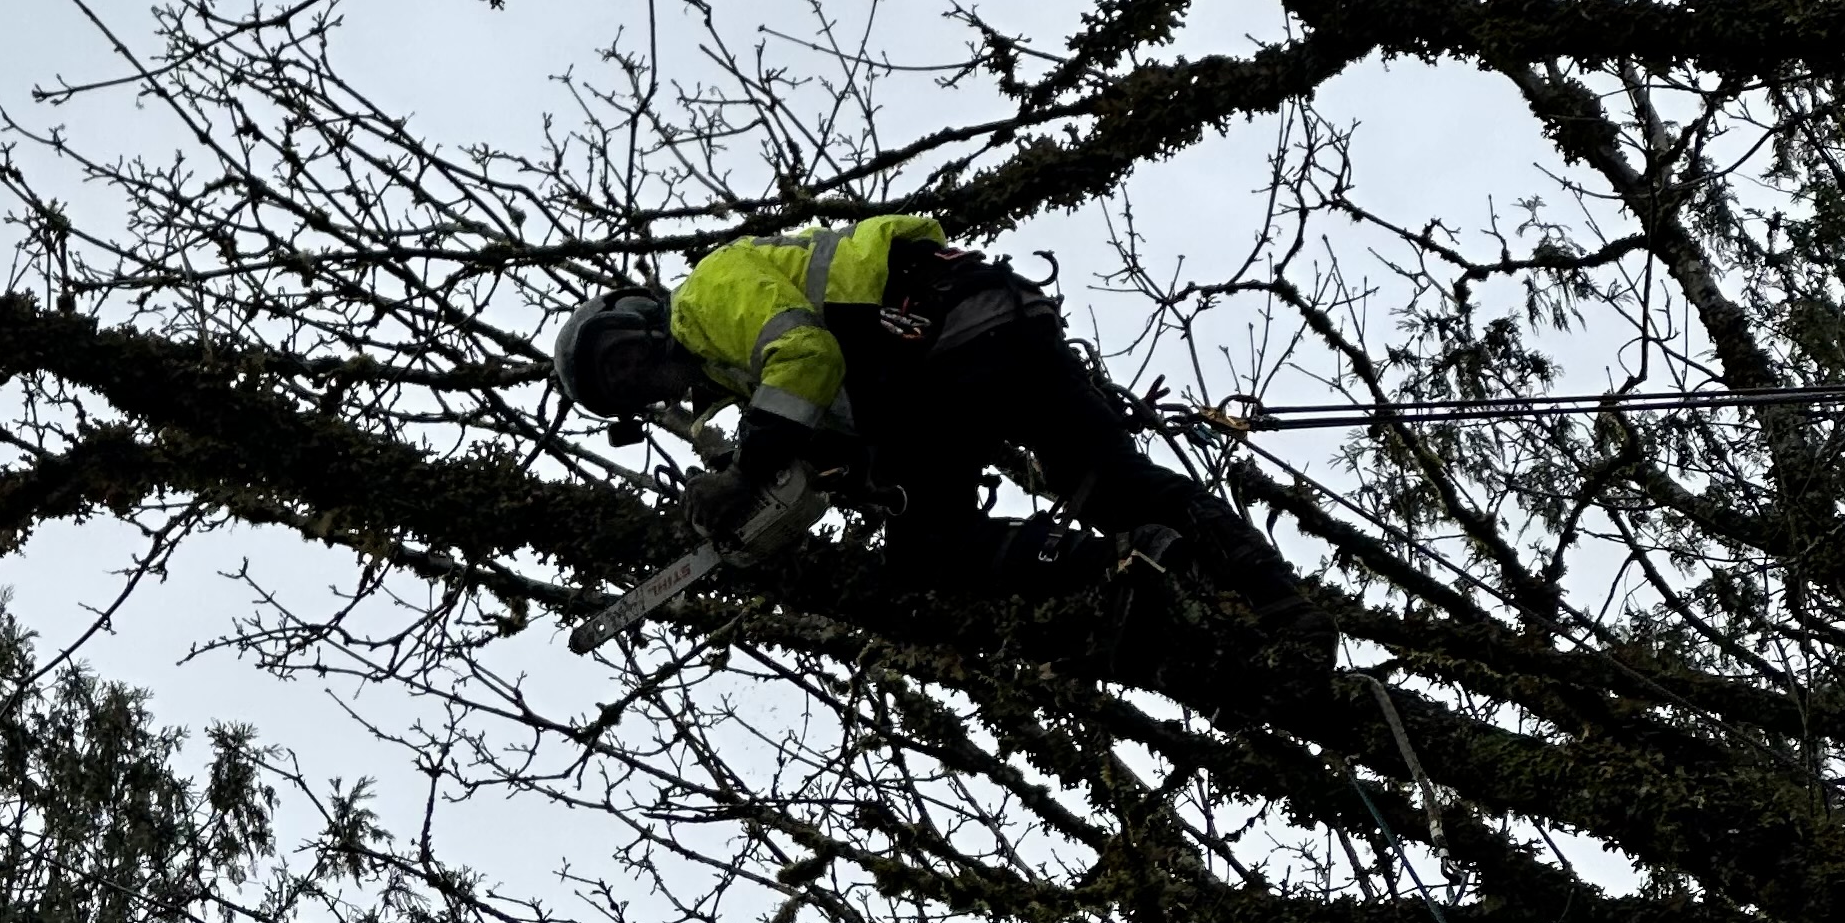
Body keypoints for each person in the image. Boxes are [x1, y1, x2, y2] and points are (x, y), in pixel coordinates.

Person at [549, 211, 1310, 633]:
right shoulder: (752, 385)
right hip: (995, 317)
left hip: (935, 336)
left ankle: (1121, 571)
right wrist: (809, 481)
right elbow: (852, 424)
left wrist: (748, 471)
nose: (641, 380)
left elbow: (807, 355)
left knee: (928, 550)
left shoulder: (704, 297)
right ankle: (1278, 605)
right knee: (1112, 481)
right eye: (625, 393)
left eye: (624, 362)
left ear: (639, 318)